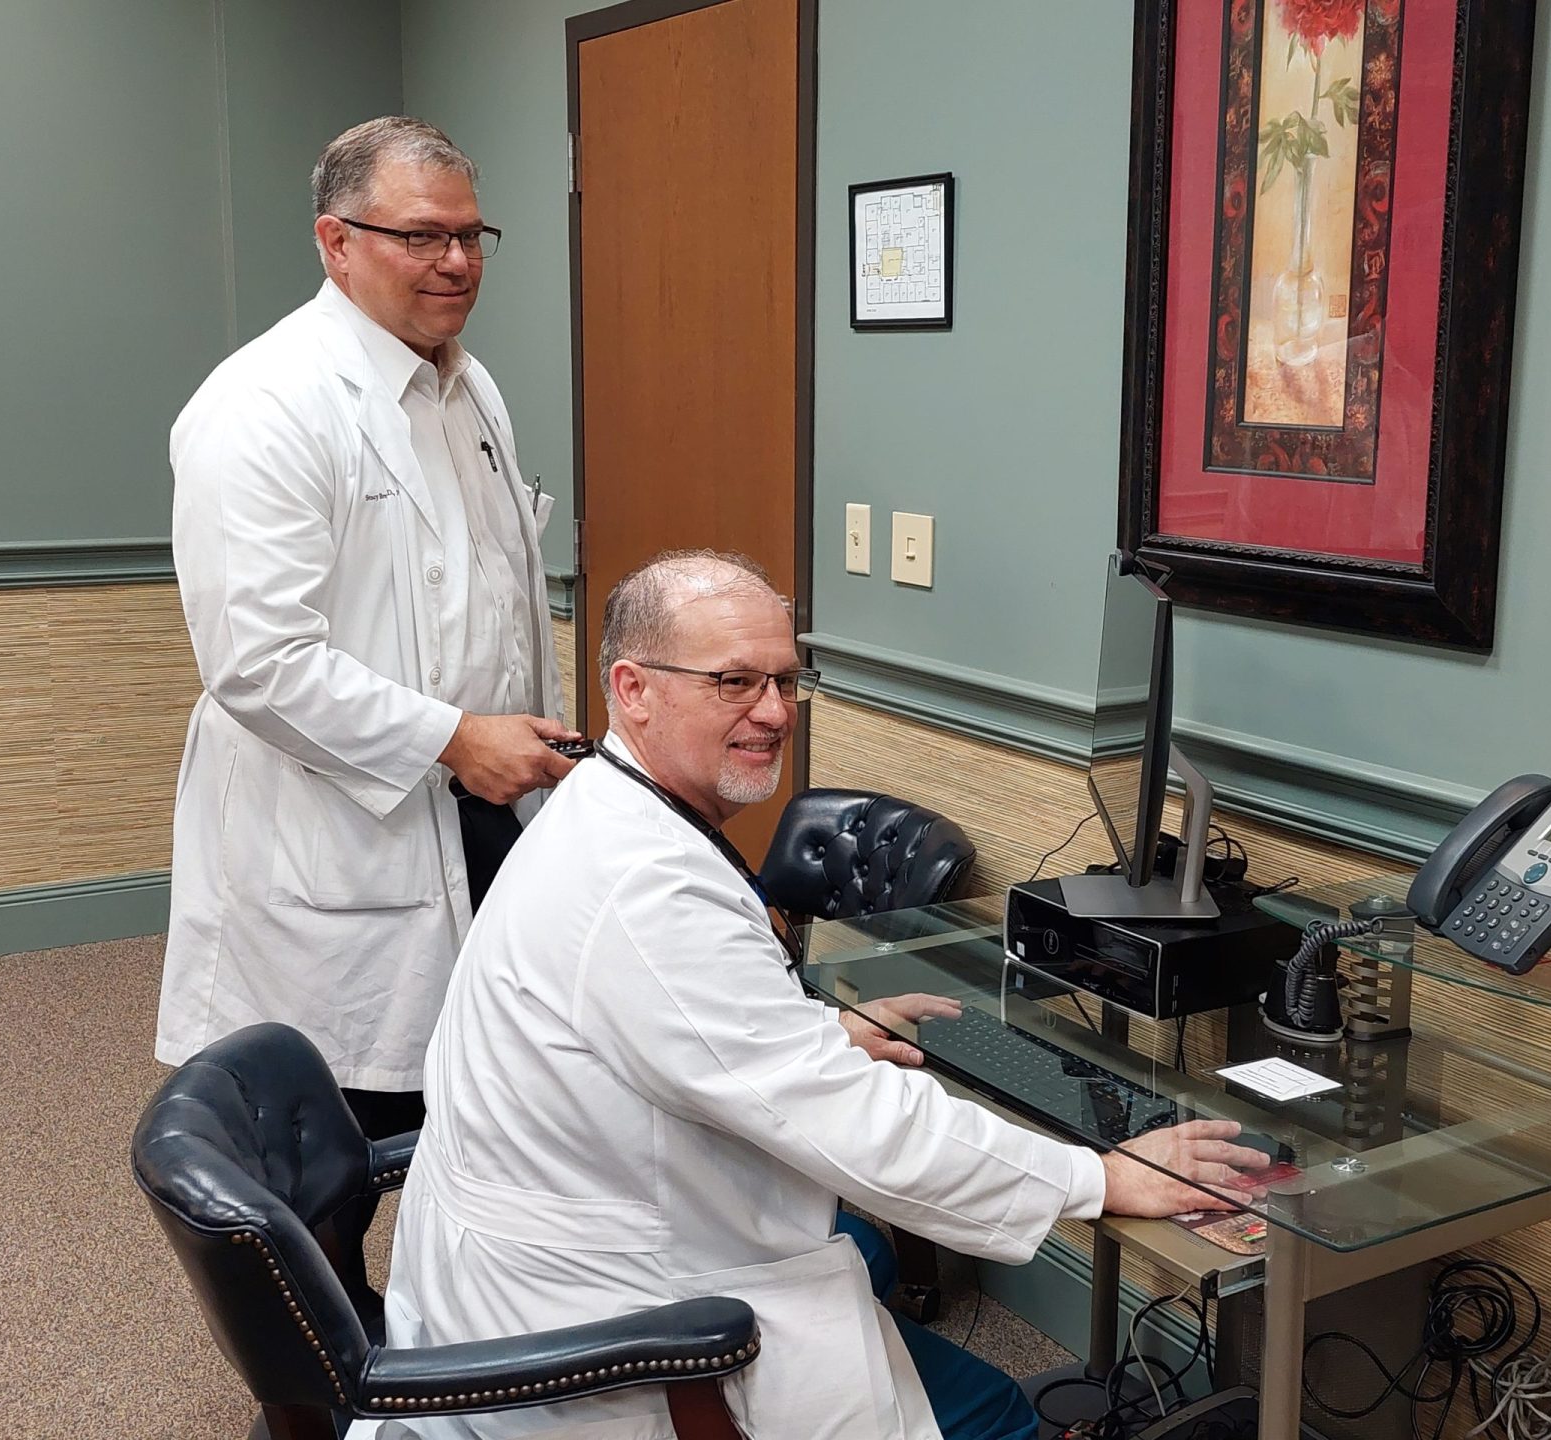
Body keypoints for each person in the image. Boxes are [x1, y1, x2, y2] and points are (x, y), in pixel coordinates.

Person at [378, 550, 1274, 1439]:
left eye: (785, 681)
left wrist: (814, 1034)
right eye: (734, 681)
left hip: (546, 1254)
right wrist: (1099, 1175)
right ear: (633, 687)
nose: (773, 712)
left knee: (866, 1259)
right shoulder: (645, 886)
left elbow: (678, 1030)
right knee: (997, 1412)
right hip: (611, 1334)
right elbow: (862, 1128)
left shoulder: (605, 811)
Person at [155, 117, 576, 1272]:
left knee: (493, 1101)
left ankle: (475, 1322)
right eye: (421, 237)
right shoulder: (265, 404)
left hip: (483, 799)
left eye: (472, 234)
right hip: (343, 831)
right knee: (334, 1151)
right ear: (336, 242)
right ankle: (325, 1385)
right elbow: (257, 663)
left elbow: (494, 587)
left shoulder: (470, 387)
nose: (456, 262)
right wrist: (452, 738)